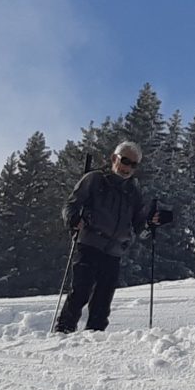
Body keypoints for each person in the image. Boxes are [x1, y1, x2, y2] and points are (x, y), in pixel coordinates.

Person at [55, 141, 172, 333]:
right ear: (113, 158)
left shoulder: (133, 191)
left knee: (103, 300)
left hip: (115, 251)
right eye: (125, 161)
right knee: (80, 291)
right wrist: (72, 219)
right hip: (89, 242)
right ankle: (63, 330)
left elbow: (138, 223)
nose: (128, 168)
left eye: (133, 165)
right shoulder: (94, 179)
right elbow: (71, 205)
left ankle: (95, 337)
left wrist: (154, 219)